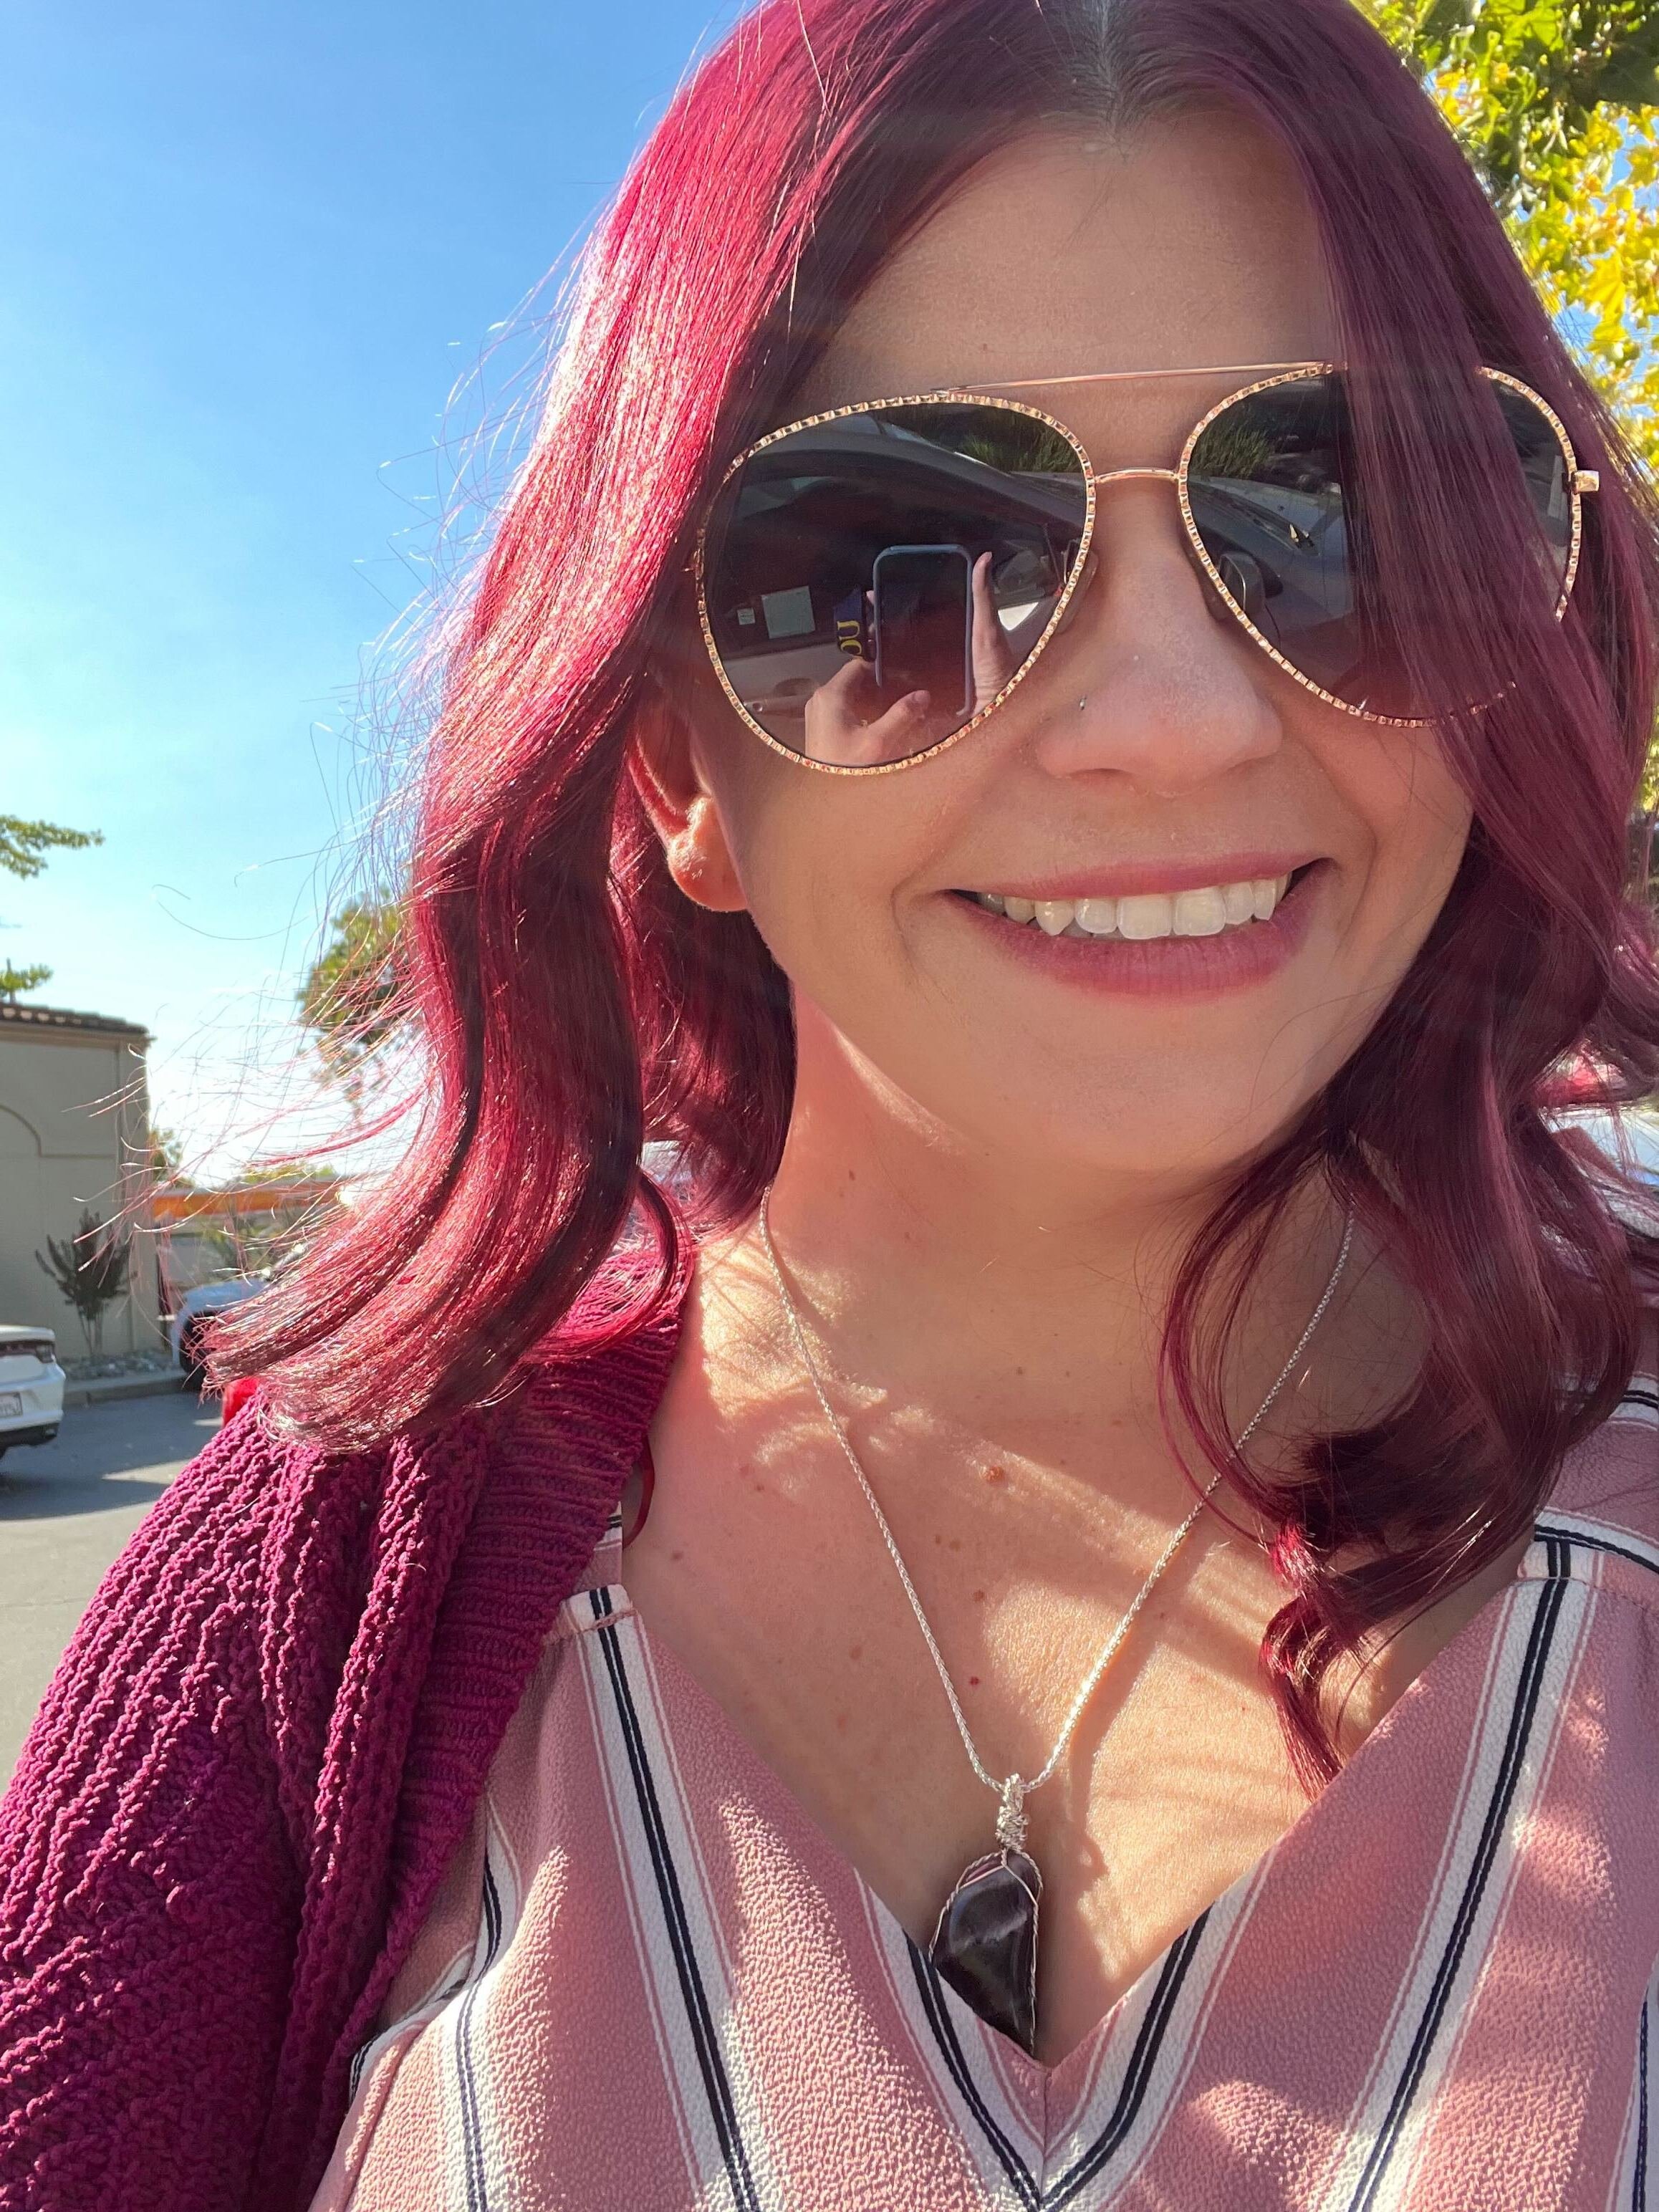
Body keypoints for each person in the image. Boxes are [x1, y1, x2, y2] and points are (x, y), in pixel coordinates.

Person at [6, 0, 1659, 2203]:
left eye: (1341, 520)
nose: (1168, 719)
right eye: (894, 564)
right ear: (676, 768)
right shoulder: (304, 1601)